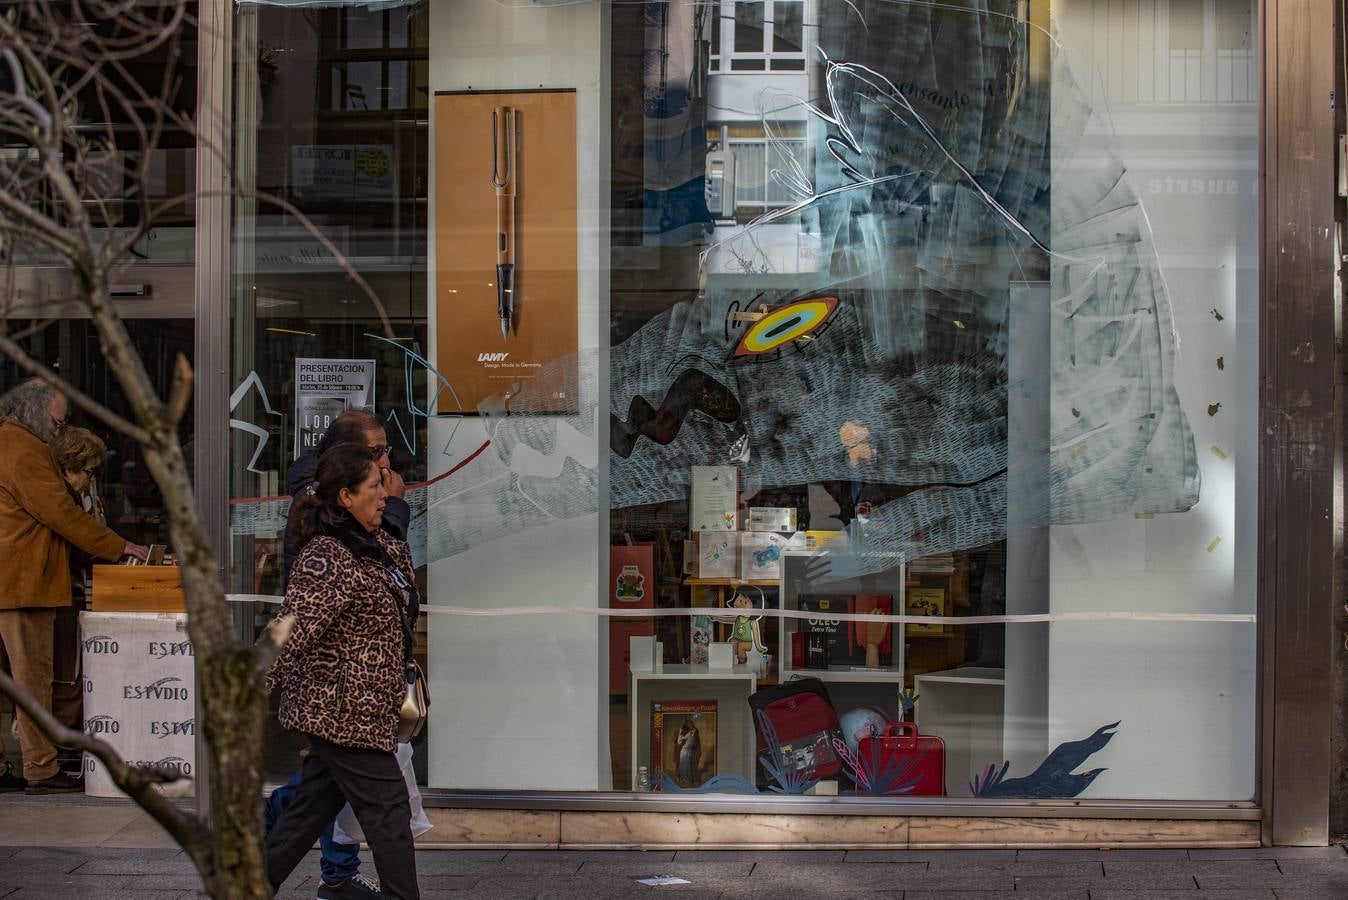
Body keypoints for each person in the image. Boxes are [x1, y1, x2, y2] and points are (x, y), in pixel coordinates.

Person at [265, 443, 420, 900]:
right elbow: (290, 629)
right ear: (346, 497)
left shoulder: (380, 546)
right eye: (375, 485)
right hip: (340, 711)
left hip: (370, 708)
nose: (385, 492)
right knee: (390, 816)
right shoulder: (327, 556)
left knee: (306, 814)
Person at [0, 379, 147, 795]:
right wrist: (121, 547)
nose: (58, 431)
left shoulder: (7, 440)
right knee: (32, 680)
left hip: (9, 580)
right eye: (56, 422)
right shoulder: (24, 448)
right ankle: (41, 769)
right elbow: (61, 513)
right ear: (33, 411)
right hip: (21, 583)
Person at [284, 409, 408, 583]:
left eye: (385, 450)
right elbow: (376, 560)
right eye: (377, 451)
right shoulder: (322, 496)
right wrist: (395, 506)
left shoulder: (329, 487)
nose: (385, 462)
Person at [46, 427, 110, 748]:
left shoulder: (76, 494)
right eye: (88, 471)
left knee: (67, 666)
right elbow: (78, 542)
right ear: (71, 466)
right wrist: (119, 549)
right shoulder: (57, 498)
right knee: (65, 669)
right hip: (60, 592)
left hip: (68, 589)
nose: (90, 478)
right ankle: (60, 742)